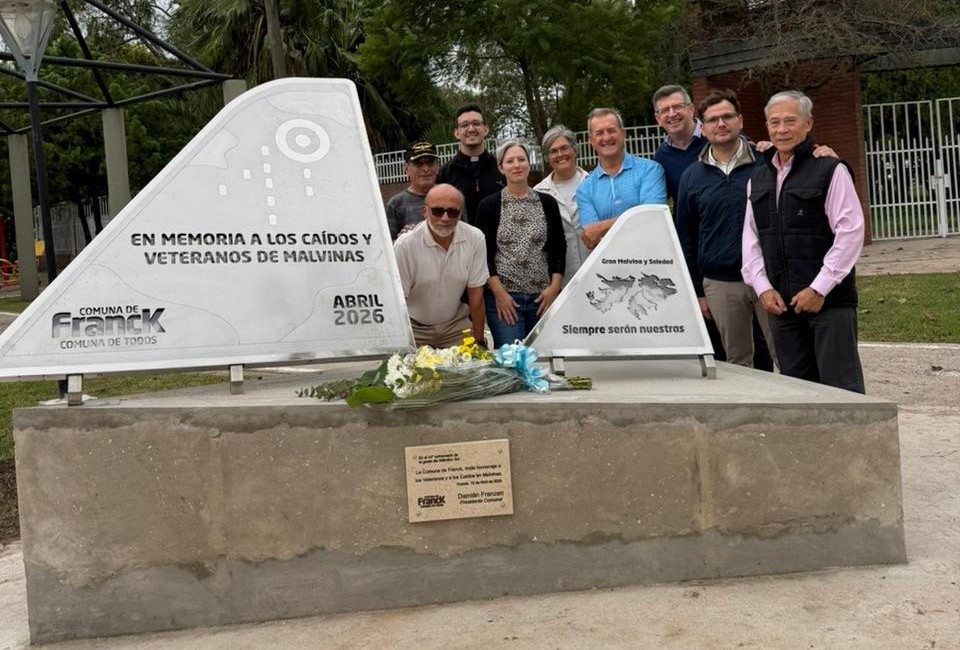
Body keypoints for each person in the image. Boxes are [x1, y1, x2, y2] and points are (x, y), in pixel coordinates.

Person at [742, 90, 866, 393]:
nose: (782, 129)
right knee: (798, 391)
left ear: (808, 123)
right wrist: (762, 288)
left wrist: (819, 288)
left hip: (829, 303)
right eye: (774, 122)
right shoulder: (758, 179)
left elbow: (850, 233)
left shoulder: (831, 169)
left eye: (790, 121)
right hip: (781, 306)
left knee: (841, 390)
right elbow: (750, 238)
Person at [676, 89, 777, 368]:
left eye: (727, 117)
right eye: (712, 120)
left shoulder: (768, 162)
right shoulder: (691, 177)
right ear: (703, 128)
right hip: (720, 283)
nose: (720, 124)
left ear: (740, 120)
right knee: (738, 361)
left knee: (785, 356)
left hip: (769, 278)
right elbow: (686, 236)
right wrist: (698, 291)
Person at [474, 139, 566, 348]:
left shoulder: (547, 202)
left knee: (542, 358)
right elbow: (483, 255)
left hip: (541, 299)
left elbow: (558, 248)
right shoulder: (489, 205)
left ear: (528, 163)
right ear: (501, 168)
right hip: (506, 300)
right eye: (510, 161)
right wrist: (499, 294)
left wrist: (554, 289)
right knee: (512, 360)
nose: (516, 165)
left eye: (521, 159)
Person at [393, 183, 489, 348]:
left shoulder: (475, 238)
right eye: (437, 211)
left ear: (460, 213)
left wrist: (479, 342)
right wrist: (398, 343)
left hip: (455, 326)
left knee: (478, 363)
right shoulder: (405, 245)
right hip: (414, 328)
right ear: (425, 211)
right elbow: (398, 301)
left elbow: (476, 295)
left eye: (452, 212)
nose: (445, 218)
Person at [576, 107, 667, 250]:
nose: (606, 137)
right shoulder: (584, 189)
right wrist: (636, 219)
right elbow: (592, 238)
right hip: (609, 262)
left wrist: (602, 227)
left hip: (652, 257)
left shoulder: (650, 170)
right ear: (591, 141)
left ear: (623, 134)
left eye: (611, 130)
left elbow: (652, 217)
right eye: (599, 133)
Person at [533, 124, 590, 285]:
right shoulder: (538, 193)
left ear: (574, 150)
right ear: (547, 157)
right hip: (561, 282)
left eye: (564, 148)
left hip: (597, 273)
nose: (560, 154)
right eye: (553, 151)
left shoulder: (593, 182)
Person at [436, 103, 505, 223]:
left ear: (486, 129)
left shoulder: (501, 167)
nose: (471, 129)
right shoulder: (445, 173)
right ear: (457, 133)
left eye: (476, 123)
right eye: (464, 125)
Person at [652, 85, 707, 204]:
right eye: (665, 110)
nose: (672, 114)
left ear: (691, 110)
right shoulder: (662, 155)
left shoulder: (714, 136)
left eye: (677, 107)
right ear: (658, 119)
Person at [385, 141, 438, 240]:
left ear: (437, 166)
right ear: (406, 170)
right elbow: (385, 245)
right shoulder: (396, 204)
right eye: (418, 164)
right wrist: (401, 239)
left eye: (430, 163)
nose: (425, 169)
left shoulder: (450, 197)